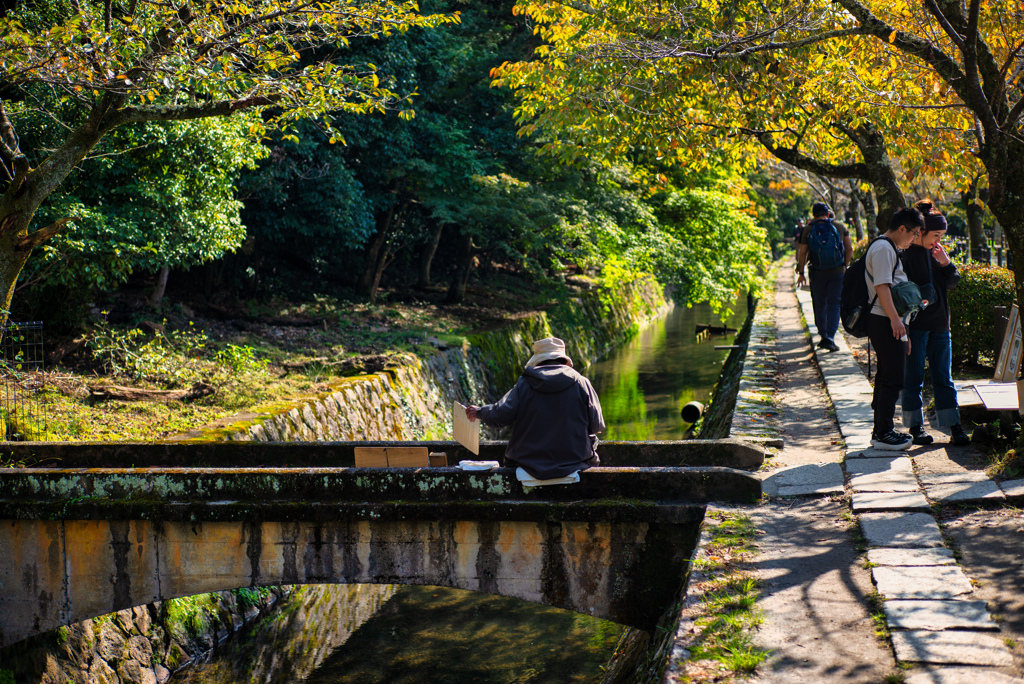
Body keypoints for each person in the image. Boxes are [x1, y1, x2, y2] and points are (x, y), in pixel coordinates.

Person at [465, 337, 605, 479]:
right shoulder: (582, 383)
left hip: (528, 464)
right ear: (564, 360)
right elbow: (597, 426)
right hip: (575, 462)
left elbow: (501, 415)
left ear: (538, 361)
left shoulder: (524, 384)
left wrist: (479, 412)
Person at [900, 200, 970, 446]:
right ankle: (915, 426)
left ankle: (954, 426)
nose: (938, 240)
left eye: (942, 235)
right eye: (936, 235)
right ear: (921, 232)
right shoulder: (906, 254)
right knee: (914, 376)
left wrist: (946, 263)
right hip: (916, 324)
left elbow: (953, 282)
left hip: (941, 322)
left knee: (943, 376)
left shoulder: (938, 253)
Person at [866, 207, 925, 450]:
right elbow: (882, 286)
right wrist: (895, 320)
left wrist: (903, 327)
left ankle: (881, 430)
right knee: (892, 377)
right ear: (902, 228)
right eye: (914, 234)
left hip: (889, 320)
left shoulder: (888, 247)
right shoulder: (883, 248)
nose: (913, 240)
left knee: (888, 376)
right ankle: (883, 432)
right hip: (884, 319)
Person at [797, 202, 853, 352]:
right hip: (837, 272)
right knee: (834, 304)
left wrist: (801, 273)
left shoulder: (808, 229)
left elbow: (802, 253)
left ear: (814, 216)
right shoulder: (840, 226)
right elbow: (850, 248)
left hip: (817, 273)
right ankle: (830, 337)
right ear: (828, 214)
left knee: (819, 303)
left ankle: (823, 336)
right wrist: (844, 266)